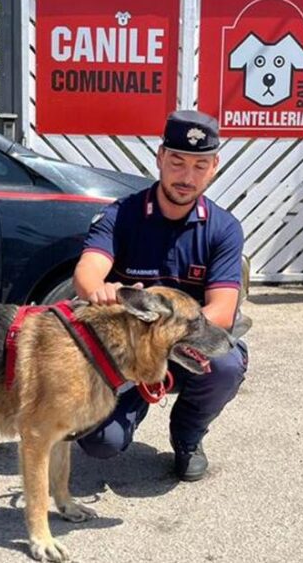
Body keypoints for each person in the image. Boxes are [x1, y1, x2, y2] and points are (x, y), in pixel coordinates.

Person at [72, 110, 248, 481]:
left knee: (226, 364)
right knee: (100, 442)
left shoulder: (224, 229)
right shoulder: (121, 215)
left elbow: (222, 312)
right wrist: (102, 292)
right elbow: (87, 274)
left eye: (200, 165)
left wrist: (161, 335)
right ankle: (126, 408)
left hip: (182, 349)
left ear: (214, 166)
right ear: (160, 157)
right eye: (177, 162)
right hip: (127, 356)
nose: (187, 177)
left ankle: (187, 436)